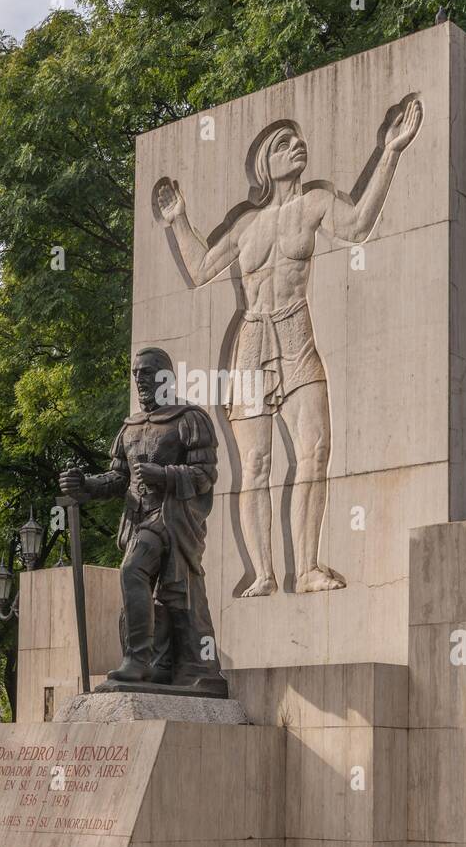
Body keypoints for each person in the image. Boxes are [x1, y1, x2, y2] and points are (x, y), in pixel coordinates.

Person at [155, 96, 422, 596]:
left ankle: (310, 568)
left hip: (297, 334)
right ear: (265, 164)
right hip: (252, 341)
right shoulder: (245, 224)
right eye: (284, 143)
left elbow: (361, 224)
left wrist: (391, 151)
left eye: (299, 141)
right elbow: (199, 271)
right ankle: (263, 574)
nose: (297, 146)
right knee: (255, 465)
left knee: (315, 449)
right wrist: (178, 221)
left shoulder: (315, 203)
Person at [58, 346, 225, 695]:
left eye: (147, 373)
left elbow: (205, 475)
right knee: (165, 595)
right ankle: (157, 664)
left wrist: (163, 475)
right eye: (136, 374)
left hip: (173, 518)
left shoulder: (189, 419)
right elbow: (119, 479)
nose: (140, 380)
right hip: (138, 517)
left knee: (132, 570)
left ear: (166, 376)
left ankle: (138, 661)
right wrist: (85, 485)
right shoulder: (130, 429)